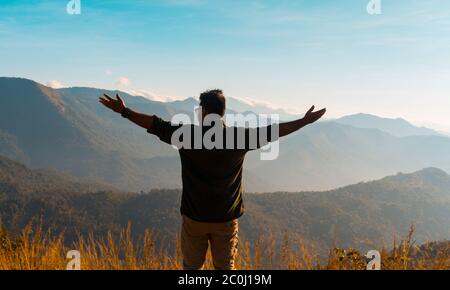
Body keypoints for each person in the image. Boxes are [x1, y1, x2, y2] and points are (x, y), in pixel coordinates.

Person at [99, 89, 326, 270]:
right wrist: (303, 122)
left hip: (194, 217)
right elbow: (275, 130)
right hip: (225, 218)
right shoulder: (240, 137)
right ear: (223, 112)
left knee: (191, 268)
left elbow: (154, 124)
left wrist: (125, 111)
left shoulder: (187, 135)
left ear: (204, 111)